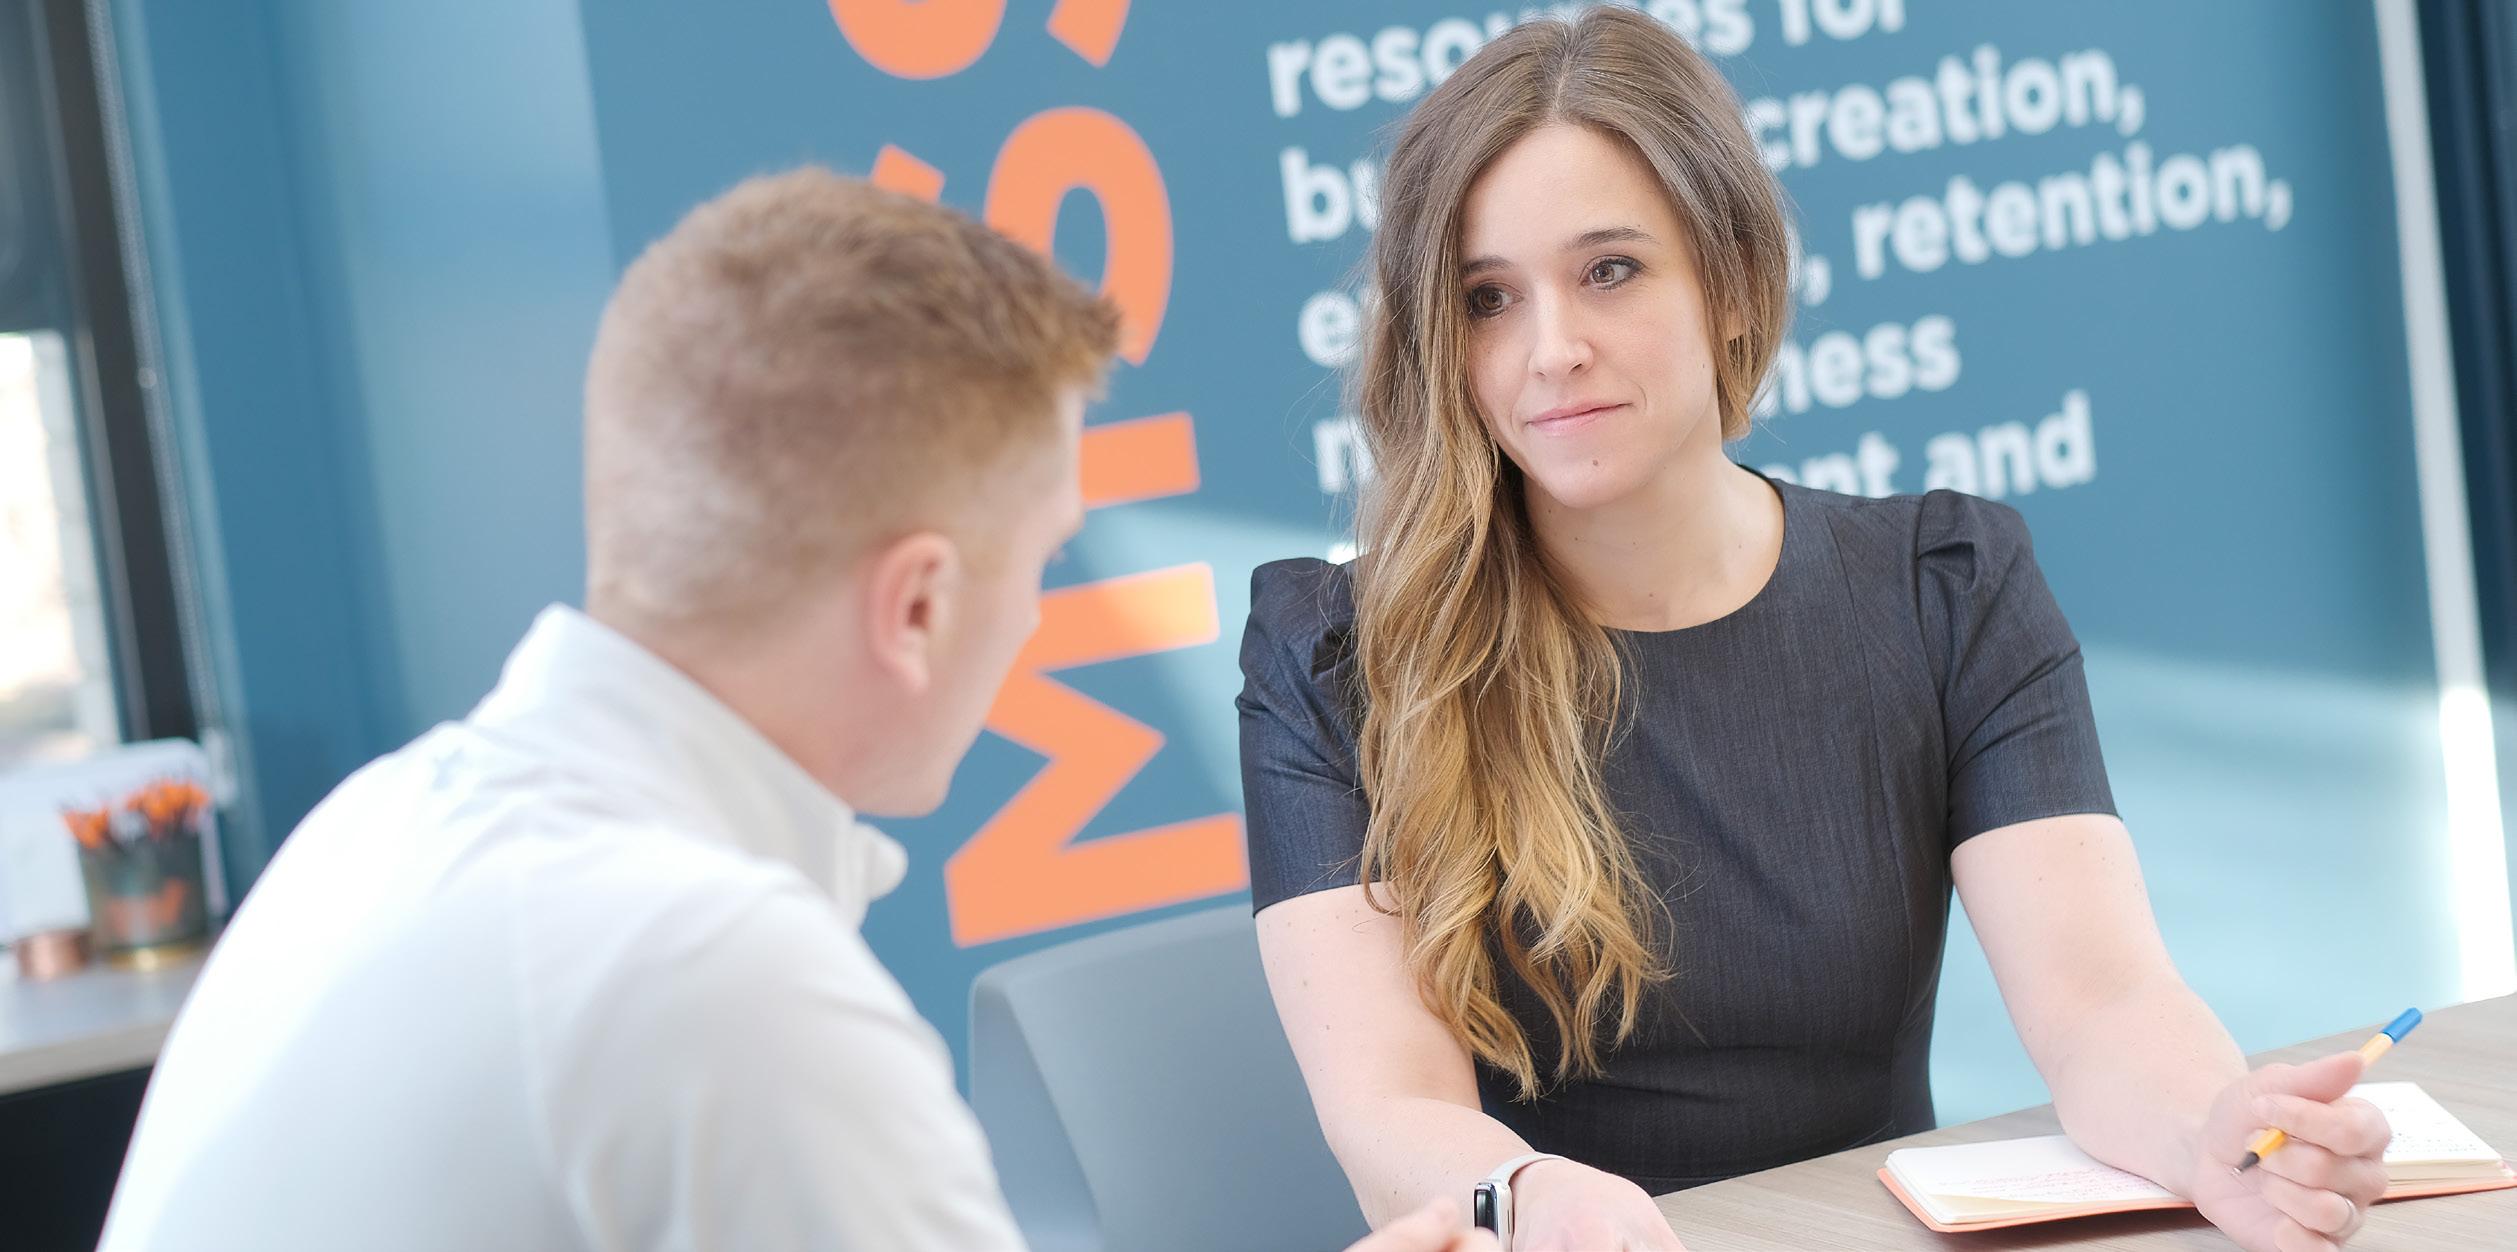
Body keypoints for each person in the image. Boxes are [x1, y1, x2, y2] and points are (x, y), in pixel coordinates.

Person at [100, 170, 1490, 1252]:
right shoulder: (706, 974)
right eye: (1040, 559)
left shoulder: (375, 834)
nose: (1033, 617)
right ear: (917, 607)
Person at [1235, 11, 2391, 1252]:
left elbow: (2102, 1001)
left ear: (1735, 282)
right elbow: (1388, 1108)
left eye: (1610, 270)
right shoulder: (1335, 657)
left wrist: (2211, 1131)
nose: (1552, 349)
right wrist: (1531, 1199)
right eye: (1487, 299)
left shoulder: (1946, 586)